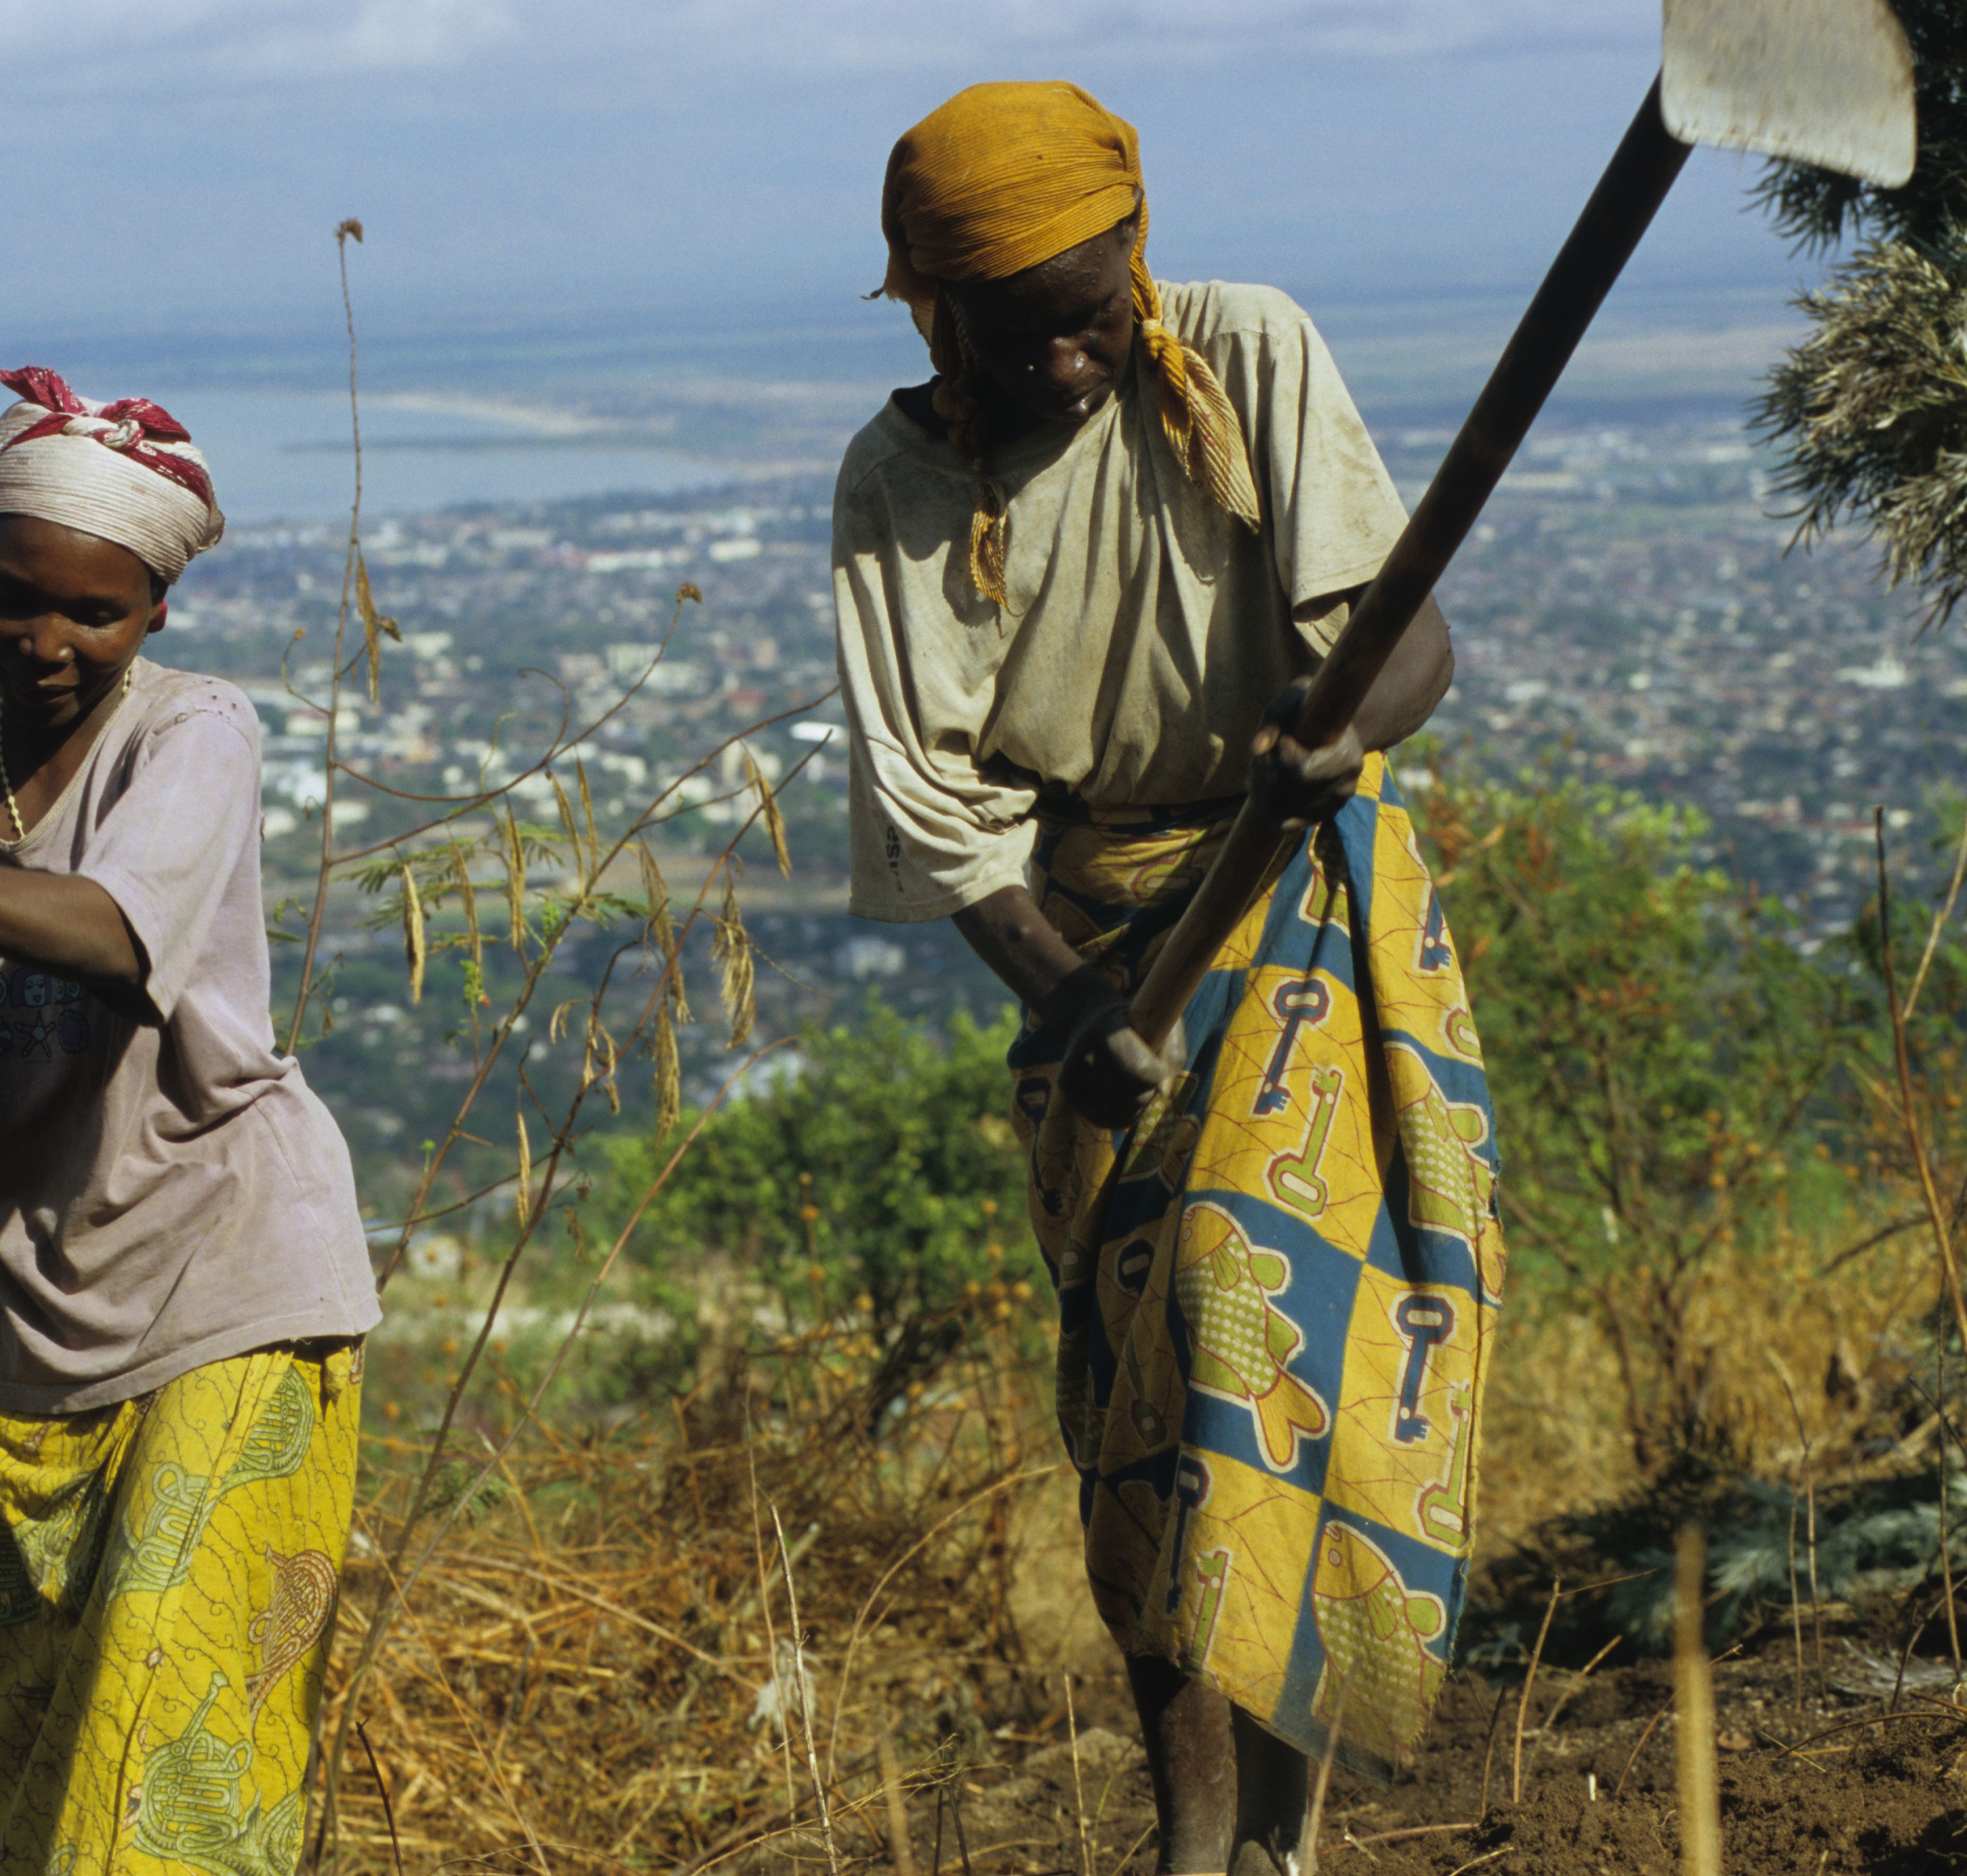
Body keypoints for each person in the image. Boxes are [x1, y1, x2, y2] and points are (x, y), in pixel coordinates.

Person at [832, 84, 1504, 1876]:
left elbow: (1407, 634)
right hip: (1092, 927)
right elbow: (936, 810)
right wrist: (1074, 1003)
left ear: (1140, 249)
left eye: (1094, 303)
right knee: (1134, 1399)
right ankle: (1198, 1831)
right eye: (1020, 325)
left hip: (1297, 898)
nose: (1072, 357)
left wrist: (1333, 729)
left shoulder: (1246, 349)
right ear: (928, 305)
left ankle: (1280, 1805)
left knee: (1241, 1314)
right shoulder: (901, 486)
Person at [0, 367, 380, 1876]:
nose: (46, 643)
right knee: (44, 1774)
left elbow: (107, 933)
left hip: (232, 1275)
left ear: (157, 609)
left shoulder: (194, 733)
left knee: (165, 1738)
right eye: (13, 598)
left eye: (92, 614)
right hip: (40, 1311)